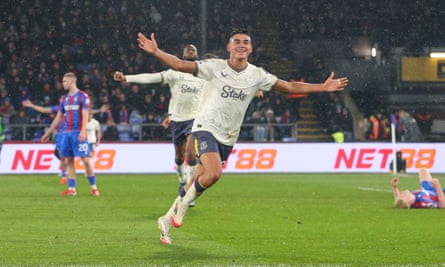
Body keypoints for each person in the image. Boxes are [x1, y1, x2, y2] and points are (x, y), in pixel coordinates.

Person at [136, 29, 348, 245]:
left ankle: (165, 221)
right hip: (204, 127)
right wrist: (156, 52)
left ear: (251, 48)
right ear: (229, 47)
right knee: (214, 173)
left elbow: (289, 86)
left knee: (197, 181)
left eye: (245, 42)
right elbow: (180, 65)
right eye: (236, 41)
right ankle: (181, 209)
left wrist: (322, 87)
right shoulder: (214, 67)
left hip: (228, 137)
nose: (241, 45)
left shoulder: (257, 75)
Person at [113, 44, 205, 202]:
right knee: (179, 156)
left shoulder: (204, 75)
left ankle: (189, 192)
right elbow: (151, 77)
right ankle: (182, 179)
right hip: (177, 119)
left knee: (191, 155)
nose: (191, 51)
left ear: (197, 55)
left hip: (195, 119)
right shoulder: (175, 72)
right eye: (188, 49)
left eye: (193, 49)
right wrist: (127, 78)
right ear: (182, 55)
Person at [41, 72, 100, 196]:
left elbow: (85, 114)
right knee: (69, 160)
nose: (63, 84)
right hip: (66, 133)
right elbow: (58, 117)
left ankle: (94, 187)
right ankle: (72, 189)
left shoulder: (83, 96)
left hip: (78, 133)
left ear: (72, 81)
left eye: (65, 81)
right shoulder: (64, 99)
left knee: (86, 160)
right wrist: (49, 131)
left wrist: (83, 131)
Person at [22, 99, 68, 184]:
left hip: (70, 133)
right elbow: (44, 110)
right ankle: (64, 174)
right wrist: (32, 106)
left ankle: (66, 173)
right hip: (60, 134)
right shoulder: (59, 108)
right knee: (60, 154)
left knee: (65, 155)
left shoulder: (74, 109)